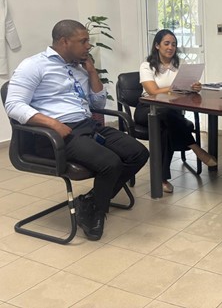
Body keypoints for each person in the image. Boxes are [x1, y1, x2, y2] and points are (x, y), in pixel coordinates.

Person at [5, 20, 149, 241]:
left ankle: (90, 201)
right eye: (83, 41)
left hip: (87, 126)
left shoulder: (78, 68)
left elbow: (98, 103)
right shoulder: (34, 65)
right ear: (64, 41)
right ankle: (96, 212)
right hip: (57, 134)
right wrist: (53, 124)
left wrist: (91, 71)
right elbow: (13, 105)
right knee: (110, 163)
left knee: (138, 153)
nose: (88, 46)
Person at [135, 29, 217, 193]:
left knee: (166, 129)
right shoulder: (147, 66)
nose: (170, 47)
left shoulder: (179, 66)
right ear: (157, 45)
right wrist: (175, 88)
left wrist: (195, 87)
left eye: (173, 44)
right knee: (165, 114)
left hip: (171, 111)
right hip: (147, 109)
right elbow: (152, 91)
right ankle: (195, 147)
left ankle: (161, 179)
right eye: (166, 43)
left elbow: (184, 90)